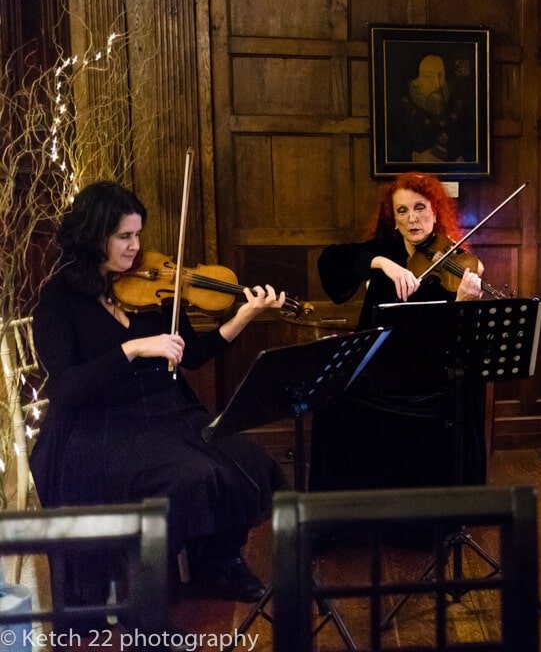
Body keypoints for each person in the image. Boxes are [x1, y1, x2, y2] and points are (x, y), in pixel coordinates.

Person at [31, 181, 288, 604]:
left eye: (138, 234)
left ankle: (218, 560)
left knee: (247, 460)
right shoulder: (59, 301)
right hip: (100, 426)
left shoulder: (156, 288)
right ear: (95, 236)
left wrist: (245, 315)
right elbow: (66, 388)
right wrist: (132, 349)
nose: (136, 247)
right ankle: (150, 591)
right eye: (124, 237)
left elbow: (194, 355)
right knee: (190, 475)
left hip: (168, 413)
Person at [313, 172, 485, 492]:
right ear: (394, 219)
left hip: (430, 376)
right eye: (402, 211)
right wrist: (382, 263)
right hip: (381, 370)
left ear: (435, 211)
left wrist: (462, 302)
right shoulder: (386, 250)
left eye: (419, 208)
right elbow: (331, 259)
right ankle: (345, 512)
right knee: (329, 397)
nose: (412, 219)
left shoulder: (457, 265)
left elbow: (461, 340)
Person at [391, 53, 472, 163]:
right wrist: (417, 158)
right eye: (429, 77)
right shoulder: (402, 109)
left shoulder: (457, 105)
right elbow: (392, 150)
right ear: (416, 82)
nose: (437, 85)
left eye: (440, 76)